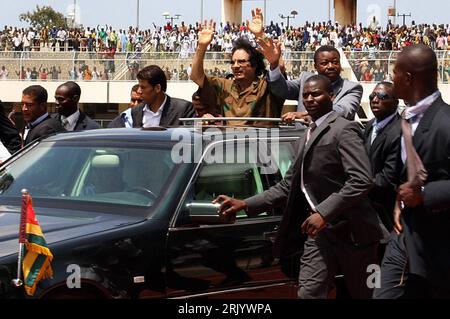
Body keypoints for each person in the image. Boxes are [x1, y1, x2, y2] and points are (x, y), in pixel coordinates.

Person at [215, 75, 384, 299]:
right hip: (320, 235)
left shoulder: (345, 129)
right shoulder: (304, 136)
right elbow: (287, 186)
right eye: (305, 95)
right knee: (308, 294)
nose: (310, 99)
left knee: (366, 294)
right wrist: (245, 203)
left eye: (316, 94)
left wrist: (324, 212)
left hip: (354, 233)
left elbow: (361, 179)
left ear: (331, 96)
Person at [374, 44, 450, 299]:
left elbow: (424, 187)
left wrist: (425, 194)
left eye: (394, 71)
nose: (391, 77)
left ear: (408, 77)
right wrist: (401, 198)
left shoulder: (446, 122)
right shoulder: (403, 120)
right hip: (404, 236)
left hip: (439, 241)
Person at [247, 8, 362, 123]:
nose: (330, 66)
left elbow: (344, 111)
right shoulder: (305, 80)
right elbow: (281, 89)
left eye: (335, 62)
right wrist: (273, 63)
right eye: (324, 63)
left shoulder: (351, 88)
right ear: (315, 66)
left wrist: (305, 115)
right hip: (303, 137)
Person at [190, 20, 284, 127]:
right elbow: (196, 76)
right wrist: (201, 47)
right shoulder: (225, 86)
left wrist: (260, 34)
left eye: (241, 61)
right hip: (229, 141)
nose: (235, 66)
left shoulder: (265, 87)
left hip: (260, 142)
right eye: (233, 62)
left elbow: (279, 69)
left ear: (254, 65)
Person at [363, 82, 401, 233]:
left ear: (396, 102)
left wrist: (357, 185)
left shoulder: (400, 131)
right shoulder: (370, 125)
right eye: (372, 96)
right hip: (368, 208)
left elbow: (388, 177)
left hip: (388, 212)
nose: (375, 100)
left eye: (382, 96)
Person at [108, 65, 194, 128]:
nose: (139, 91)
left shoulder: (183, 110)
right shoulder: (135, 112)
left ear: (157, 88)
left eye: (143, 87)